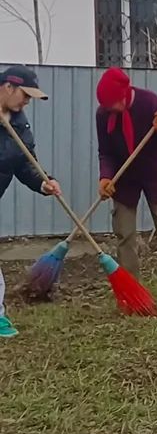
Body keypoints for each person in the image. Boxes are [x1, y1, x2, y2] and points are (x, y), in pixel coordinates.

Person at [95, 67, 157, 302]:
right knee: (124, 233)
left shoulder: (149, 102)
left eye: (113, 104)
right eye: (106, 106)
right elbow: (105, 152)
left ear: (124, 94)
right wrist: (105, 177)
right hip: (124, 179)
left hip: (155, 175)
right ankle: (130, 289)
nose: (110, 110)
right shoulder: (103, 115)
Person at [0, 66, 61, 338]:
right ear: (8, 87)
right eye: (25, 95)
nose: (26, 102)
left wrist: (42, 182)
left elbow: (25, 162)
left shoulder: (18, 122)